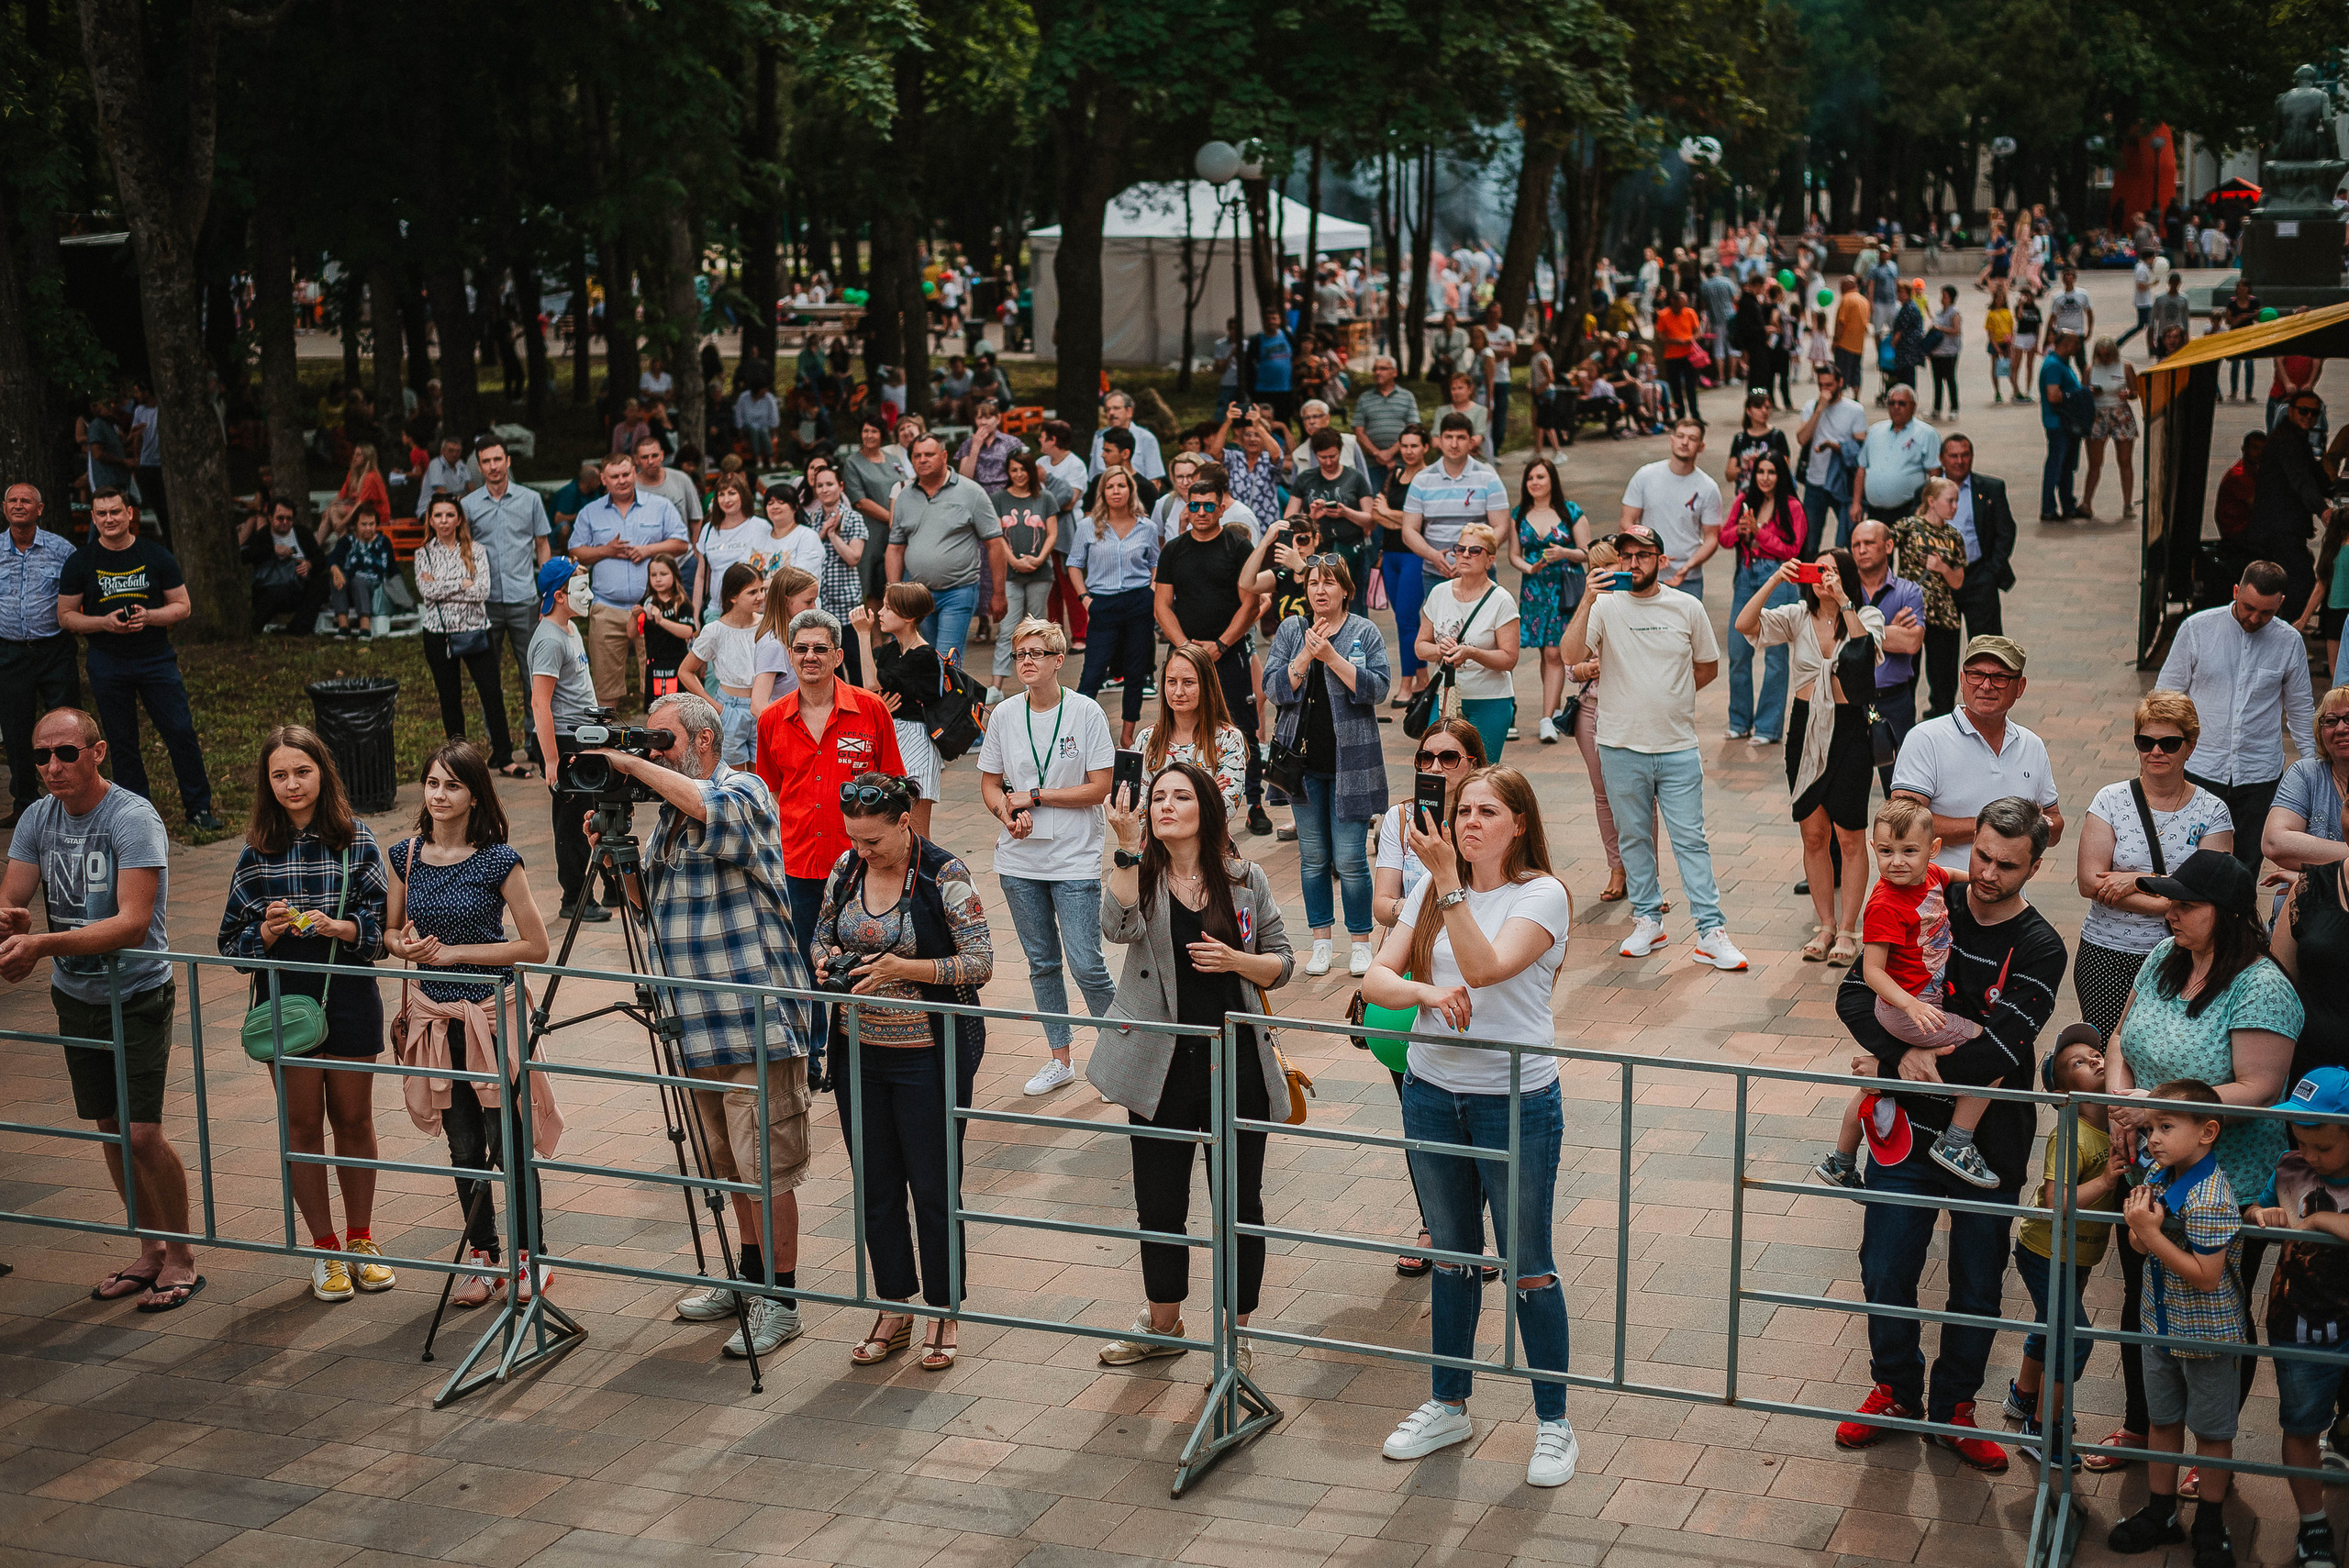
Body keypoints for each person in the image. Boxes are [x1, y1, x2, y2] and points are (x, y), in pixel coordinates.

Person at [1834, 798, 2068, 1474]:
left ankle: (1954, 1408)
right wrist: (1898, 1051)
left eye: (2007, 865)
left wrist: (1893, 1065)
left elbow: (2002, 1048)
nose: (1987, 875)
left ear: (2035, 866)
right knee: (1885, 1264)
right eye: (1982, 857)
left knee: (1977, 1281)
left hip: (1989, 1138)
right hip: (1907, 1130)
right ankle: (1895, 1390)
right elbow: (1855, 993)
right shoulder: (1927, 891)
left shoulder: (2042, 945)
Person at [1362, 766, 1580, 1489]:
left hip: (1514, 1100)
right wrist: (1424, 990)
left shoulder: (1541, 893)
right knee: (1454, 1256)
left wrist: (1450, 883)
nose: (1469, 822)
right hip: (1431, 1092)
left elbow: (1486, 968)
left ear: (1520, 823)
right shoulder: (1431, 889)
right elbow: (1375, 979)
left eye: (1487, 811)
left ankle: (1554, 1422)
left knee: (1529, 1262)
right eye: (1463, 811)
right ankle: (1448, 1403)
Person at [593, 693, 818, 1361]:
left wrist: (629, 765)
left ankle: (781, 1300)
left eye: (661, 741)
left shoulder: (743, 790)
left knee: (766, 1166)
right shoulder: (668, 816)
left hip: (755, 1020)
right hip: (694, 1023)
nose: (650, 753)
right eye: (647, 743)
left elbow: (710, 808)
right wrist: (616, 863)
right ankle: (746, 1279)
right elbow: (649, 908)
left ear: (705, 740)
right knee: (725, 1164)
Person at [2101, 849, 2299, 1485]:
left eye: (2186, 905)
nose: (2171, 914)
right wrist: (2119, 1102)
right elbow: (2119, 1038)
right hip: (2150, 1172)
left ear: (2228, 913)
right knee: (2144, 1296)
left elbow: (2259, 1088)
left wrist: (2155, 1109)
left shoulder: (2262, 986)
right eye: (2170, 901)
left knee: (2219, 1314)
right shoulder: (2165, 956)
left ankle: (2212, 1451)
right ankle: (2143, 1426)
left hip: (2226, 1185)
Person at [1091, 760, 1291, 1373]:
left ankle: (1237, 1336)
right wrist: (1126, 845)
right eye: (1158, 797)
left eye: (1180, 796)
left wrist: (1236, 961)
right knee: (1159, 1202)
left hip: (1236, 1062)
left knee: (1239, 1205)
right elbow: (1116, 926)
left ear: (1206, 808)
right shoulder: (1140, 872)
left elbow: (1282, 962)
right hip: (1159, 1065)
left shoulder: (1245, 878)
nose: (1165, 805)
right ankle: (1164, 1324)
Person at [0, 707, 195, 1310]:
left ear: (98, 751)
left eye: (66, 752)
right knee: (110, 1126)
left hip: (136, 993)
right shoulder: (37, 817)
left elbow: (134, 924)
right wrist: (10, 922)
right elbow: (12, 898)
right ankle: (150, 1248)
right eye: (41, 755)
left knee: (141, 1131)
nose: (52, 766)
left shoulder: (132, 817)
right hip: (75, 995)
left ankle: (182, 1256)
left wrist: (41, 944)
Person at [812, 773, 992, 1372]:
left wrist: (902, 968)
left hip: (926, 1055)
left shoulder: (945, 873)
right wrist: (825, 963)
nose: (861, 850)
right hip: (856, 1051)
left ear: (905, 822)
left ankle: (943, 1308)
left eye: (873, 841)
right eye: (854, 839)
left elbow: (980, 962)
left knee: (934, 1185)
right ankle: (894, 1305)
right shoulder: (847, 868)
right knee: (876, 1184)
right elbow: (819, 936)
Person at [218, 725, 394, 1304]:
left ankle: (361, 1239)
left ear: (323, 772)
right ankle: (325, 1249)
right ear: (267, 784)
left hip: (348, 991)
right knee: (301, 1126)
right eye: (280, 775)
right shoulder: (256, 852)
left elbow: (382, 930)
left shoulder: (357, 840)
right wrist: (267, 933)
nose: (292, 784)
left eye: (302, 771)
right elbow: (231, 945)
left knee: (354, 1120)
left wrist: (341, 927)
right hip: (285, 998)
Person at [384, 741, 552, 1308]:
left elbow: (536, 946)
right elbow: (390, 934)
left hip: (491, 1017)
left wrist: (457, 955)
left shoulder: (499, 860)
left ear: (475, 794)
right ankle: (483, 1255)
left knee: (508, 1143)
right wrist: (404, 946)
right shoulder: (405, 856)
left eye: (452, 785)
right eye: (432, 783)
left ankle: (530, 1257)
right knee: (463, 1146)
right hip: (436, 1022)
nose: (439, 795)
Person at [1559, 523, 1746, 970]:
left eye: (1642, 555)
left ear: (1661, 560)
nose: (1633, 563)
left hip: (1677, 745)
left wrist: (1669, 698)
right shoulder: (1604, 605)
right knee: (1634, 837)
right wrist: (1587, 599)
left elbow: (1707, 667)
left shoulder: (1687, 606)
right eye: (1626, 555)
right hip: (1619, 745)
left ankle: (1710, 931)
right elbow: (1569, 656)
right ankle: (1648, 920)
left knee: (1691, 840)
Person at [752, 606, 905, 1049]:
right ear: (789, 655)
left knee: (865, 956)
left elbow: (895, 784)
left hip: (862, 862)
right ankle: (814, 1053)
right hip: (798, 863)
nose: (810, 656)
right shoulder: (771, 720)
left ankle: (865, 1046)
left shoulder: (870, 710)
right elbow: (769, 792)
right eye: (801, 649)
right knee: (806, 962)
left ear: (838, 655)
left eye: (820, 648)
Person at [2112, 1081, 2252, 1562]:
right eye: (2150, 1128)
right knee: (2163, 1419)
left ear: (2207, 1132)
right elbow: (2138, 1243)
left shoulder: (2210, 1197)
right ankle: (2161, 1512)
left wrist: (2148, 1233)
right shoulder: (2158, 1173)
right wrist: (2141, 1231)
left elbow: (2207, 1276)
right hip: (2159, 1324)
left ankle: (2210, 1523)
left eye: (2166, 1127)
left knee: (2212, 1433)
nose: (2153, 1139)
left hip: (2208, 1335)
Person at [976, 617, 1116, 1096]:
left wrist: (1035, 797)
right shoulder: (1004, 714)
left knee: (1087, 964)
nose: (1026, 662)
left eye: (1036, 653)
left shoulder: (1086, 712)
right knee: (1042, 963)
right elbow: (990, 784)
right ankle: (1060, 1058)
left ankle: (1119, 1057)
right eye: (1020, 655)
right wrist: (1007, 815)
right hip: (1019, 861)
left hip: (1074, 856)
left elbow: (1099, 788)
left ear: (1059, 660)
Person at [1736, 548, 1884, 962]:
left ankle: (1849, 929)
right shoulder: (1797, 615)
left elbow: (1866, 651)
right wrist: (1774, 580)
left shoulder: (1866, 615)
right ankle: (1826, 925)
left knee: (1850, 835)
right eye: (1818, 571)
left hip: (1849, 730)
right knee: (1813, 835)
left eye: (1832, 571)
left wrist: (1845, 601)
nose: (1824, 578)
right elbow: (1745, 625)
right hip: (1804, 729)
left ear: (1846, 576)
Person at [2072, 691, 2234, 1046]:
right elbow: (2089, 882)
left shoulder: (2213, 812)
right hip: (2108, 953)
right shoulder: (2110, 800)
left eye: (2169, 743)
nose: (2155, 752)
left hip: (2183, 955)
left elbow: (2212, 892)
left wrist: (2137, 881)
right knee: (2108, 1050)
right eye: (2145, 742)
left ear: (2190, 746)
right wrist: (2175, 898)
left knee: (2171, 1052)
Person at [57, 490, 221, 831]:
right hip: (107, 661)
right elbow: (66, 616)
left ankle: (198, 809)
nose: (109, 519)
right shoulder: (81, 561)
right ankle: (138, 815)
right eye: (102, 513)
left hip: (155, 660)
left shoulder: (155, 554)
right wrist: (103, 623)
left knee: (180, 731)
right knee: (122, 741)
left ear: (129, 513)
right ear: (93, 517)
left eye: (115, 511)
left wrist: (150, 616)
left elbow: (183, 606)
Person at [2240, 1066, 2349, 1568]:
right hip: (2300, 1324)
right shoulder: (2290, 1169)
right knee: (2301, 1422)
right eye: (2301, 1141)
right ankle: (2313, 1523)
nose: (2310, 1155)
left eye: (2322, 1146)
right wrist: (2261, 1215)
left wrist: (2321, 1219)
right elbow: (2257, 1210)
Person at [1266, 556, 1391, 979]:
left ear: (1345, 591)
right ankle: (1320, 941)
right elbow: (1272, 689)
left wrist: (1333, 658)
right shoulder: (1291, 630)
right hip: (1301, 767)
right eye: (1313, 583)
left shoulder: (1363, 631)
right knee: (1313, 857)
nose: (1320, 590)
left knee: (1351, 859)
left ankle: (1360, 941)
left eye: (1329, 583)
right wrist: (1304, 656)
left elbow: (1379, 688)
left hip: (1351, 764)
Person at [2002, 1027, 2119, 1465]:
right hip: (2046, 1251)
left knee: (2050, 1321)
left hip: (2077, 1253)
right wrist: (2106, 1181)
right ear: (2063, 1093)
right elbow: (2055, 1200)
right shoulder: (2071, 1132)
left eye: (2095, 1053)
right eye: (2079, 1063)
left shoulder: (2110, 1126)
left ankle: (2023, 1396)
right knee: (2074, 1338)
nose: (2095, 1060)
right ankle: (2042, 1430)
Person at [2156, 561, 2316, 875]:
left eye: (2266, 613)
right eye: (2248, 607)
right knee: (2186, 863)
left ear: (2281, 604)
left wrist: (2314, 769)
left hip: (2259, 777)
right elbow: (2166, 699)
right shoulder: (2196, 629)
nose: (2254, 618)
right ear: (2235, 592)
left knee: (2244, 869)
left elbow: (2300, 710)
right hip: (2199, 768)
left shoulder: (2289, 642)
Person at [1154, 462, 1269, 836]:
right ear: (1186, 508)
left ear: (1221, 508)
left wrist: (1221, 645)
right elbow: (1162, 605)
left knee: (1244, 727)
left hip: (1229, 653)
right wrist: (1185, 648)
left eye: (1209, 505)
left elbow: (1250, 603)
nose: (1201, 512)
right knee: (1180, 721)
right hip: (1186, 655)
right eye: (1195, 505)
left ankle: (1254, 803)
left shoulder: (1238, 547)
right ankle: (1186, 798)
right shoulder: (1174, 550)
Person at [567, 451, 688, 706]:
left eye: (625, 474)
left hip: (653, 609)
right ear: (603, 479)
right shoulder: (590, 512)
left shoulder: (660, 506)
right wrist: (605, 550)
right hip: (607, 608)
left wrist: (647, 550)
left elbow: (681, 543)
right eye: (614, 476)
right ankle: (608, 731)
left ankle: (657, 732)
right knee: (605, 688)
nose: (621, 481)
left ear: (635, 472)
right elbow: (575, 552)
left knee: (660, 690)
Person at [886, 433, 1006, 672]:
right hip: (919, 594)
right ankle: (940, 697)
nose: (922, 460)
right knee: (929, 658)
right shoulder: (905, 496)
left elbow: (995, 544)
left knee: (946, 660)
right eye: (917, 455)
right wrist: (893, 594)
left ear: (944, 456)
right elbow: (895, 548)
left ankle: (950, 696)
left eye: (929, 454)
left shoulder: (971, 492)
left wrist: (999, 593)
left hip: (958, 590)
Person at [528, 560, 606, 922]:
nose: (589, 596)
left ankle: (612, 886)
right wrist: (552, 760)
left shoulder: (570, 628)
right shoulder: (549, 640)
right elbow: (540, 703)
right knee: (573, 823)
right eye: (581, 588)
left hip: (585, 737)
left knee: (599, 811)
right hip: (565, 742)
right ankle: (574, 898)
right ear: (560, 596)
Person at [0, 484, 80, 828]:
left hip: (54, 651)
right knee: (15, 729)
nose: (19, 505)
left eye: (26, 501)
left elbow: (80, 592)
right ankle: (24, 805)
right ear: (4, 507)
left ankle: (75, 803)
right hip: (9, 653)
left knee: (67, 728)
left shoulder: (62, 550)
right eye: (13, 500)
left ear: (40, 508)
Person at [460, 436, 553, 712]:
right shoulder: (468, 505)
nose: (493, 466)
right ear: (479, 466)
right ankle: (497, 736)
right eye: (486, 461)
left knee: (533, 673)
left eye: (497, 459)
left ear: (508, 461)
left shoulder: (531, 499)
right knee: (488, 677)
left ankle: (535, 733)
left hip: (524, 599)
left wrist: (547, 592)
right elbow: (464, 550)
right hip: (485, 601)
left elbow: (542, 544)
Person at [1067, 469, 1160, 743]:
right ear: (1102, 492)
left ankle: (1127, 736)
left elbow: (1156, 562)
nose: (1116, 491)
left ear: (1131, 490)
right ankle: (1078, 734)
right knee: (1092, 673)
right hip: (1102, 603)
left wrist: (1152, 592)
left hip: (1138, 602)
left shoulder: (1146, 527)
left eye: (1122, 485)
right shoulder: (1088, 525)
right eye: (1110, 486)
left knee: (1136, 672)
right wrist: (1085, 598)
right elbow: (1074, 564)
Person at [1415, 522, 1520, 762]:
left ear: (1489, 560)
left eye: (1474, 551)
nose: (1464, 555)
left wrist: (1472, 653)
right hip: (1445, 696)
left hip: (1489, 700)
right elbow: (1420, 647)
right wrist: (1439, 650)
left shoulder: (1501, 600)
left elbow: (1509, 659)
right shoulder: (1439, 593)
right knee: (1439, 767)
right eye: (1459, 549)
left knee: (1482, 772)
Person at [847, 584, 945, 840]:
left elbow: (871, 684)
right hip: (890, 735)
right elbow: (872, 693)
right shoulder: (891, 651)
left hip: (918, 740)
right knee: (889, 823)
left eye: (888, 608)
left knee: (916, 831)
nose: (880, 612)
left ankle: (922, 868)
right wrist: (881, 706)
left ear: (908, 616)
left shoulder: (924, 655)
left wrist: (863, 634)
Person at [1723, 452, 1807, 747]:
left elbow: (1793, 549)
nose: (1765, 478)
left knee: (1776, 658)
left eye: (1771, 472)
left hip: (1779, 577)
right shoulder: (1744, 500)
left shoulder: (1792, 506)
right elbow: (1724, 538)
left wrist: (1760, 533)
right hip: (1747, 576)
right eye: (1761, 471)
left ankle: (1768, 727)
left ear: (1780, 475)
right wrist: (1739, 530)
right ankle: (1739, 721)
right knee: (1737, 651)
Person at [1506, 460, 1587, 745]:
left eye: (1540, 477)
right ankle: (1550, 709)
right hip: (1534, 590)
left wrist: (1565, 552)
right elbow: (1513, 554)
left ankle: (1547, 718)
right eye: (1530, 478)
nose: (1535, 482)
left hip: (1564, 589)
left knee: (1554, 652)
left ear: (1552, 479)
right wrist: (1528, 567)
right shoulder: (1518, 514)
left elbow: (1588, 551)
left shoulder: (1570, 511)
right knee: (1545, 653)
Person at [1889, 478, 1973, 719]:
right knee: (1906, 669)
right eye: (1950, 501)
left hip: (1942, 612)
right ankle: (1901, 718)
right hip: (1911, 610)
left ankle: (1942, 716)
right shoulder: (1908, 526)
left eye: (1957, 501)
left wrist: (1942, 567)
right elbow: (1883, 545)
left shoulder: (1954, 536)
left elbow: (1958, 581)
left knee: (1943, 673)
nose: (1955, 507)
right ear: (1931, 501)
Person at [2261, 684, 2349, 900]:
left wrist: (2309, 879)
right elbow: (2274, 843)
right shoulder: (2306, 774)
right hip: (2301, 911)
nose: (2340, 728)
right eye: (2331, 721)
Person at [1617, 418, 1723, 595]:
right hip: (1645, 574)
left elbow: (1712, 538)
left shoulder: (1708, 488)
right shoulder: (1645, 476)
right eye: (1680, 436)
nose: (1685, 442)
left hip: (1688, 579)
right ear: (1672, 440)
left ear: (1701, 446)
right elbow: (1626, 522)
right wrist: (1647, 554)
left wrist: (1688, 566)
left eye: (1692, 438)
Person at [678, 563, 767, 767]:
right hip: (729, 709)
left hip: (762, 706)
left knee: (762, 776)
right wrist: (715, 706)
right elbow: (685, 671)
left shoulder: (766, 625)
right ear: (733, 597)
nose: (760, 596)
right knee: (735, 777)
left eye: (762, 589)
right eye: (752, 592)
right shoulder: (715, 630)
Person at [1936, 435, 2018, 647]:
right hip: (1941, 581)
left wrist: (1991, 571)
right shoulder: (1926, 491)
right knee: (1942, 649)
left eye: (1965, 455)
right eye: (1953, 456)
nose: (1959, 461)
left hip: (1978, 576)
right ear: (1942, 459)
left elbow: (2006, 530)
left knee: (1986, 647)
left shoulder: (1990, 488)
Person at [992, 452, 1060, 701]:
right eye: (1014, 470)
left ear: (1031, 471)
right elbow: (997, 534)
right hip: (1010, 574)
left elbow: (1052, 533)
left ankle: (1035, 682)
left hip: (1040, 573)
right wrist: (1013, 560)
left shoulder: (1045, 498)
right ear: (1008, 472)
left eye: (1023, 469)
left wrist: (1039, 559)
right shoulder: (998, 499)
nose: (1019, 474)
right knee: (1007, 628)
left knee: (1037, 628)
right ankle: (996, 685)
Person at [1375, 427, 1431, 706]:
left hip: (1414, 555)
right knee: (1406, 620)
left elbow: (1424, 520)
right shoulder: (1394, 475)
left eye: (1414, 446)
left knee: (1406, 619)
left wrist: (1391, 515)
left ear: (1425, 448)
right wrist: (1401, 519)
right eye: (1405, 446)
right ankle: (1424, 679)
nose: (1409, 451)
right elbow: (1377, 514)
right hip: (1391, 555)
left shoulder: (1430, 478)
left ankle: (1406, 685)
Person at [1797, 363, 1868, 552]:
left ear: (1840, 382)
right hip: (1815, 483)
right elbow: (1802, 438)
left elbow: (1859, 450)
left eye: (1829, 385)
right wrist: (1818, 410)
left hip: (1841, 483)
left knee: (1851, 538)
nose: (1824, 390)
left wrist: (1833, 446)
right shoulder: (1811, 407)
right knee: (1810, 542)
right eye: (1821, 385)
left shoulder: (1855, 410)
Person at [242, 493, 331, 634]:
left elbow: (321, 559)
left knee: (322, 584)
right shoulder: (263, 535)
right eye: (280, 518)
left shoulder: (302, 533)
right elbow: (245, 555)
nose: (285, 522)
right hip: (272, 588)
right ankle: (254, 628)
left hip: (299, 587)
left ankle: (297, 630)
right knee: (273, 595)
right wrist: (272, 550)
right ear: (270, 518)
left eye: (289, 518)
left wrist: (309, 564)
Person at [1854, 387, 1938, 527]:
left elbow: (1934, 474)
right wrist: (1856, 503)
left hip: (1908, 510)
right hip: (1874, 511)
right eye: (1892, 403)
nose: (1896, 407)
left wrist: (1928, 508)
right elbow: (1862, 468)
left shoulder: (1926, 434)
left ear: (1913, 406)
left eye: (1902, 403)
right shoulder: (1875, 430)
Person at [2082, 337, 2142, 520]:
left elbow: (2135, 392)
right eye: (2101, 355)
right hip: (2098, 414)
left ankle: (2127, 503)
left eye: (2108, 355)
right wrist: (2091, 392)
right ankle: (2086, 502)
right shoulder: (2090, 369)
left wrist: (2128, 394)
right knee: (2095, 462)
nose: (2105, 359)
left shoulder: (2125, 367)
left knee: (2124, 461)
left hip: (2120, 412)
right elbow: (2082, 393)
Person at [2039, 331, 2089, 523]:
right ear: (2067, 344)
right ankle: (2049, 508)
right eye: (2076, 344)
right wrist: (2079, 395)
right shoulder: (2053, 365)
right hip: (2058, 423)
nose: (2078, 348)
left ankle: (2068, 505)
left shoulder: (2063, 364)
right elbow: (2053, 395)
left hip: (2067, 423)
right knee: (2056, 465)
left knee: (2067, 466)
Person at [1353, 357, 1421, 490]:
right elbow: (1359, 432)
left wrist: (1390, 453)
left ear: (1394, 372)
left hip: (1403, 462)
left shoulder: (1407, 397)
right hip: (1372, 464)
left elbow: (1413, 429)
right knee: (1373, 499)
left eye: (1383, 368)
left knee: (1402, 499)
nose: (1377, 372)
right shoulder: (1364, 398)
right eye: (1375, 369)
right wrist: (1377, 454)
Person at [1927, 286, 1964, 417]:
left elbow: (1956, 330)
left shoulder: (1954, 313)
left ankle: (1954, 408)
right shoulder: (1939, 313)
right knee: (1937, 381)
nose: (1942, 299)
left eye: (1945, 296)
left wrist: (1940, 329)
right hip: (1937, 352)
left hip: (1949, 352)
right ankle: (1937, 408)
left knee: (1950, 379)